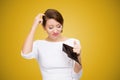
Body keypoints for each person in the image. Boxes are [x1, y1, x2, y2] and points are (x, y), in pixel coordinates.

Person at [21, 9, 82, 80]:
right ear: (44, 27)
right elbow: (25, 54)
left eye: (58, 26)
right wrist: (34, 26)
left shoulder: (72, 42)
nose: (55, 31)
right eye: (51, 27)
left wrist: (78, 56)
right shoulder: (39, 45)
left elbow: (77, 75)